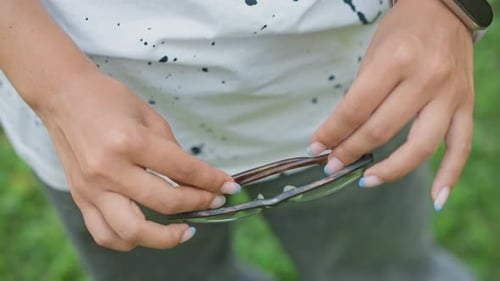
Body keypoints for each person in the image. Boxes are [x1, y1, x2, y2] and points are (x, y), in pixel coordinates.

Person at [0, 0, 482, 280]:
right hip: (106, 129)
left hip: (357, 93)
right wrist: (58, 89)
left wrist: (449, 7)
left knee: (382, 270)